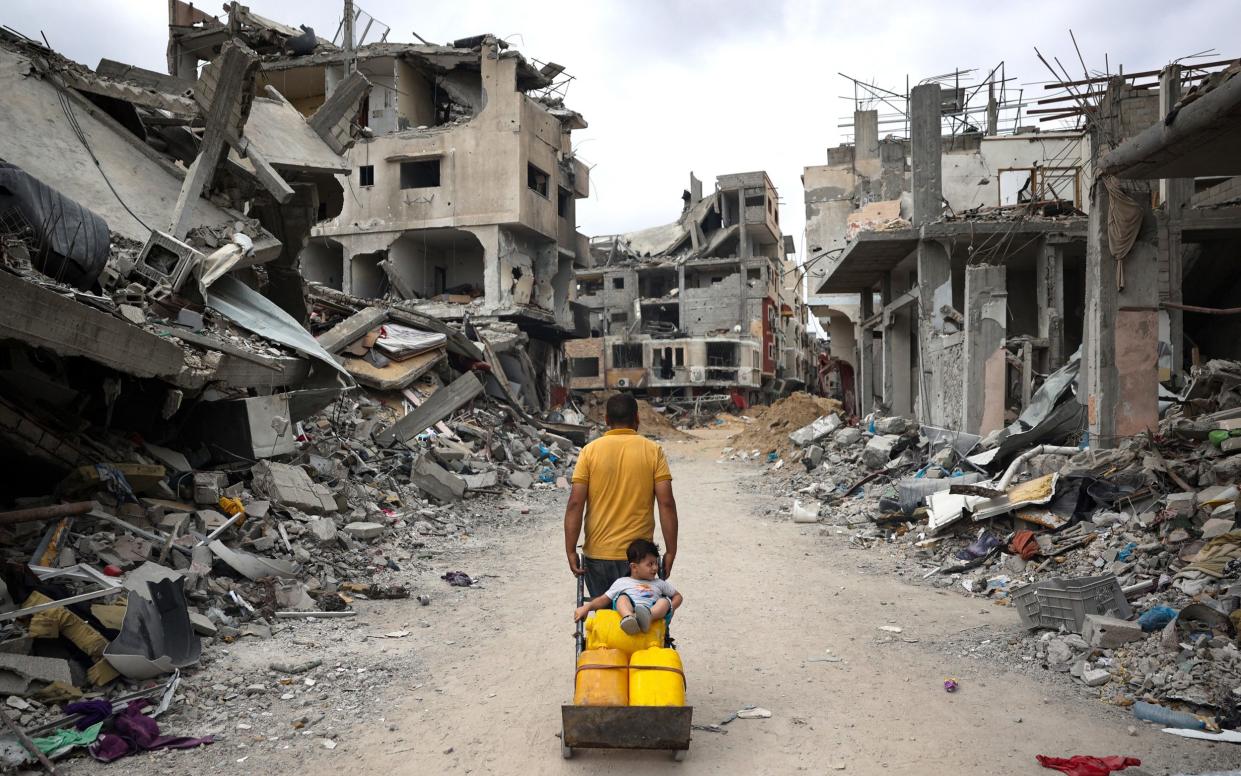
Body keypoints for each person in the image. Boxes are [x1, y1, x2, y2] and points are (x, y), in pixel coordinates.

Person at [564, 393, 679, 598]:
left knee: (605, 620)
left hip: (598, 556)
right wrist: (671, 551)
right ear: (637, 419)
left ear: (606, 419)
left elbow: (575, 504)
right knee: (641, 619)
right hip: (639, 557)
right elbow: (666, 503)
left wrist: (571, 549)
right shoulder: (653, 451)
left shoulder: (589, 452)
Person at [574, 539, 682, 634]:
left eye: (656, 563)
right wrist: (587, 607)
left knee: (664, 602)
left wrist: (672, 607)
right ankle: (629, 618)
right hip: (630, 609)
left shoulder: (659, 583)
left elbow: (678, 596)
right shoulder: (622, 582)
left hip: (652, 611)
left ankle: (648, 617)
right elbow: (603, 599)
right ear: (634, 567)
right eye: (650, 564)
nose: (655, 568)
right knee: (622, 598)